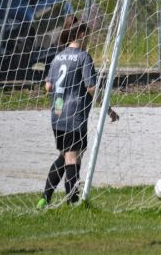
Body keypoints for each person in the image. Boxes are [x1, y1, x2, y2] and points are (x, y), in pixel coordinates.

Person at [37, 22, 119, 209]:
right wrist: (108, 109)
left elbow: (48, 86)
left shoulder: (57, 57)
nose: (88, 38)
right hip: (75, 115)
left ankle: (45, 198)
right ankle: (73, 202)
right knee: (72, 158)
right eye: (87, 35)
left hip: (57, 114)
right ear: (81, 34)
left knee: (66, 155)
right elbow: (91, 87)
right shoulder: (83, 57)